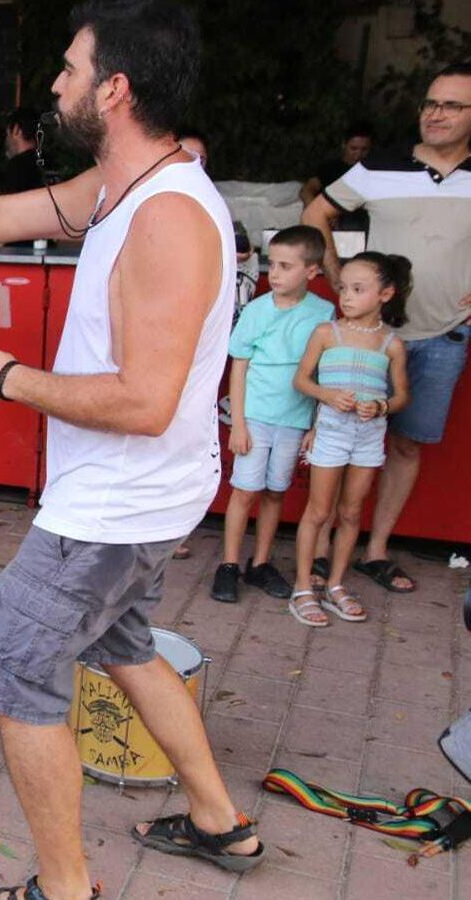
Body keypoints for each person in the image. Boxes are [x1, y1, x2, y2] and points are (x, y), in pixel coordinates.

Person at [0, 3, 265, 897]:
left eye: (70, 70)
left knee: (13, 677)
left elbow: (147, 403)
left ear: (114, 89)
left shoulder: (169, 217)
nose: (56, 84)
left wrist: (8, 381)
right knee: (126, 644)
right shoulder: (119, 189)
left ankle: (65, 889)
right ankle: (222, 823)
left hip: (114, 505)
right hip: (135, 497)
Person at [301, 62, 471, 596]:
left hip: (443, 334)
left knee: (404, 447)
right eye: (430, 103)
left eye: (451, 106)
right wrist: (336, 281)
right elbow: (314, 212)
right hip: (366, 339)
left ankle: (375, 551)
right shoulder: (380, 167)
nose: (435, 114)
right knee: (340, 437)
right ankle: (325, 551)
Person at [211, 226, 332, 604]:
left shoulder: (323, 313)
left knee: (276, 492)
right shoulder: (257, 310)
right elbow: (240, 367)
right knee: (244, 492)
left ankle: (260, 563)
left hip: (294, 420)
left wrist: (316, 424)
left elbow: (322, 371)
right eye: (271, 264)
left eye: (285, 266)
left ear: (312, 272)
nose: (274, 274)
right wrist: (239, 423)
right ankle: (229, 564)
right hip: (256, 418)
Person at [289, 253, 412, 626]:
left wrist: (381, 406)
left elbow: (402, 396)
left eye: (359, 289)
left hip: (369, 434)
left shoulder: (390, 344)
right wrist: (328, 396)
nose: (347, 296)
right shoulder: (327, 333)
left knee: (351, 512)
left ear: (385, 294)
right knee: (319, 511)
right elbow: (302, 380)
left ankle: (337, 584)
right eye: (343, 288)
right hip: (332, 430)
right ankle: (302, 588)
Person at [300, 122, 374, 208]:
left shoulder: (373, 171)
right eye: (354, 148)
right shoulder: (330, 168)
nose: (358, 154)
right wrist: (315, 211)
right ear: (344, 145)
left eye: (364, 149)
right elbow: (307, 190)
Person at [2, 106, 54, 194]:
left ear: (16, 129)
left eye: (7, 134)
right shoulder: (53, 163)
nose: (6, 140)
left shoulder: (16, 168)